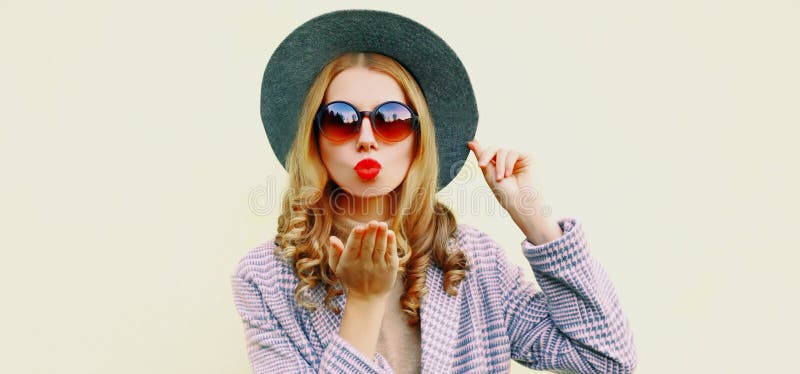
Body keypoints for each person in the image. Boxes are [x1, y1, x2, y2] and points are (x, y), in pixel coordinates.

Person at [231, 9, 637, 374]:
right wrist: (364, 302)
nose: (368, 138)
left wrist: (536, 222)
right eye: (341, 119)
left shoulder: (473, 262)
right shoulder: (266, 280)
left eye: (391, 119)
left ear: (418, 140)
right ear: (315, 140)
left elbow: (607, 360)